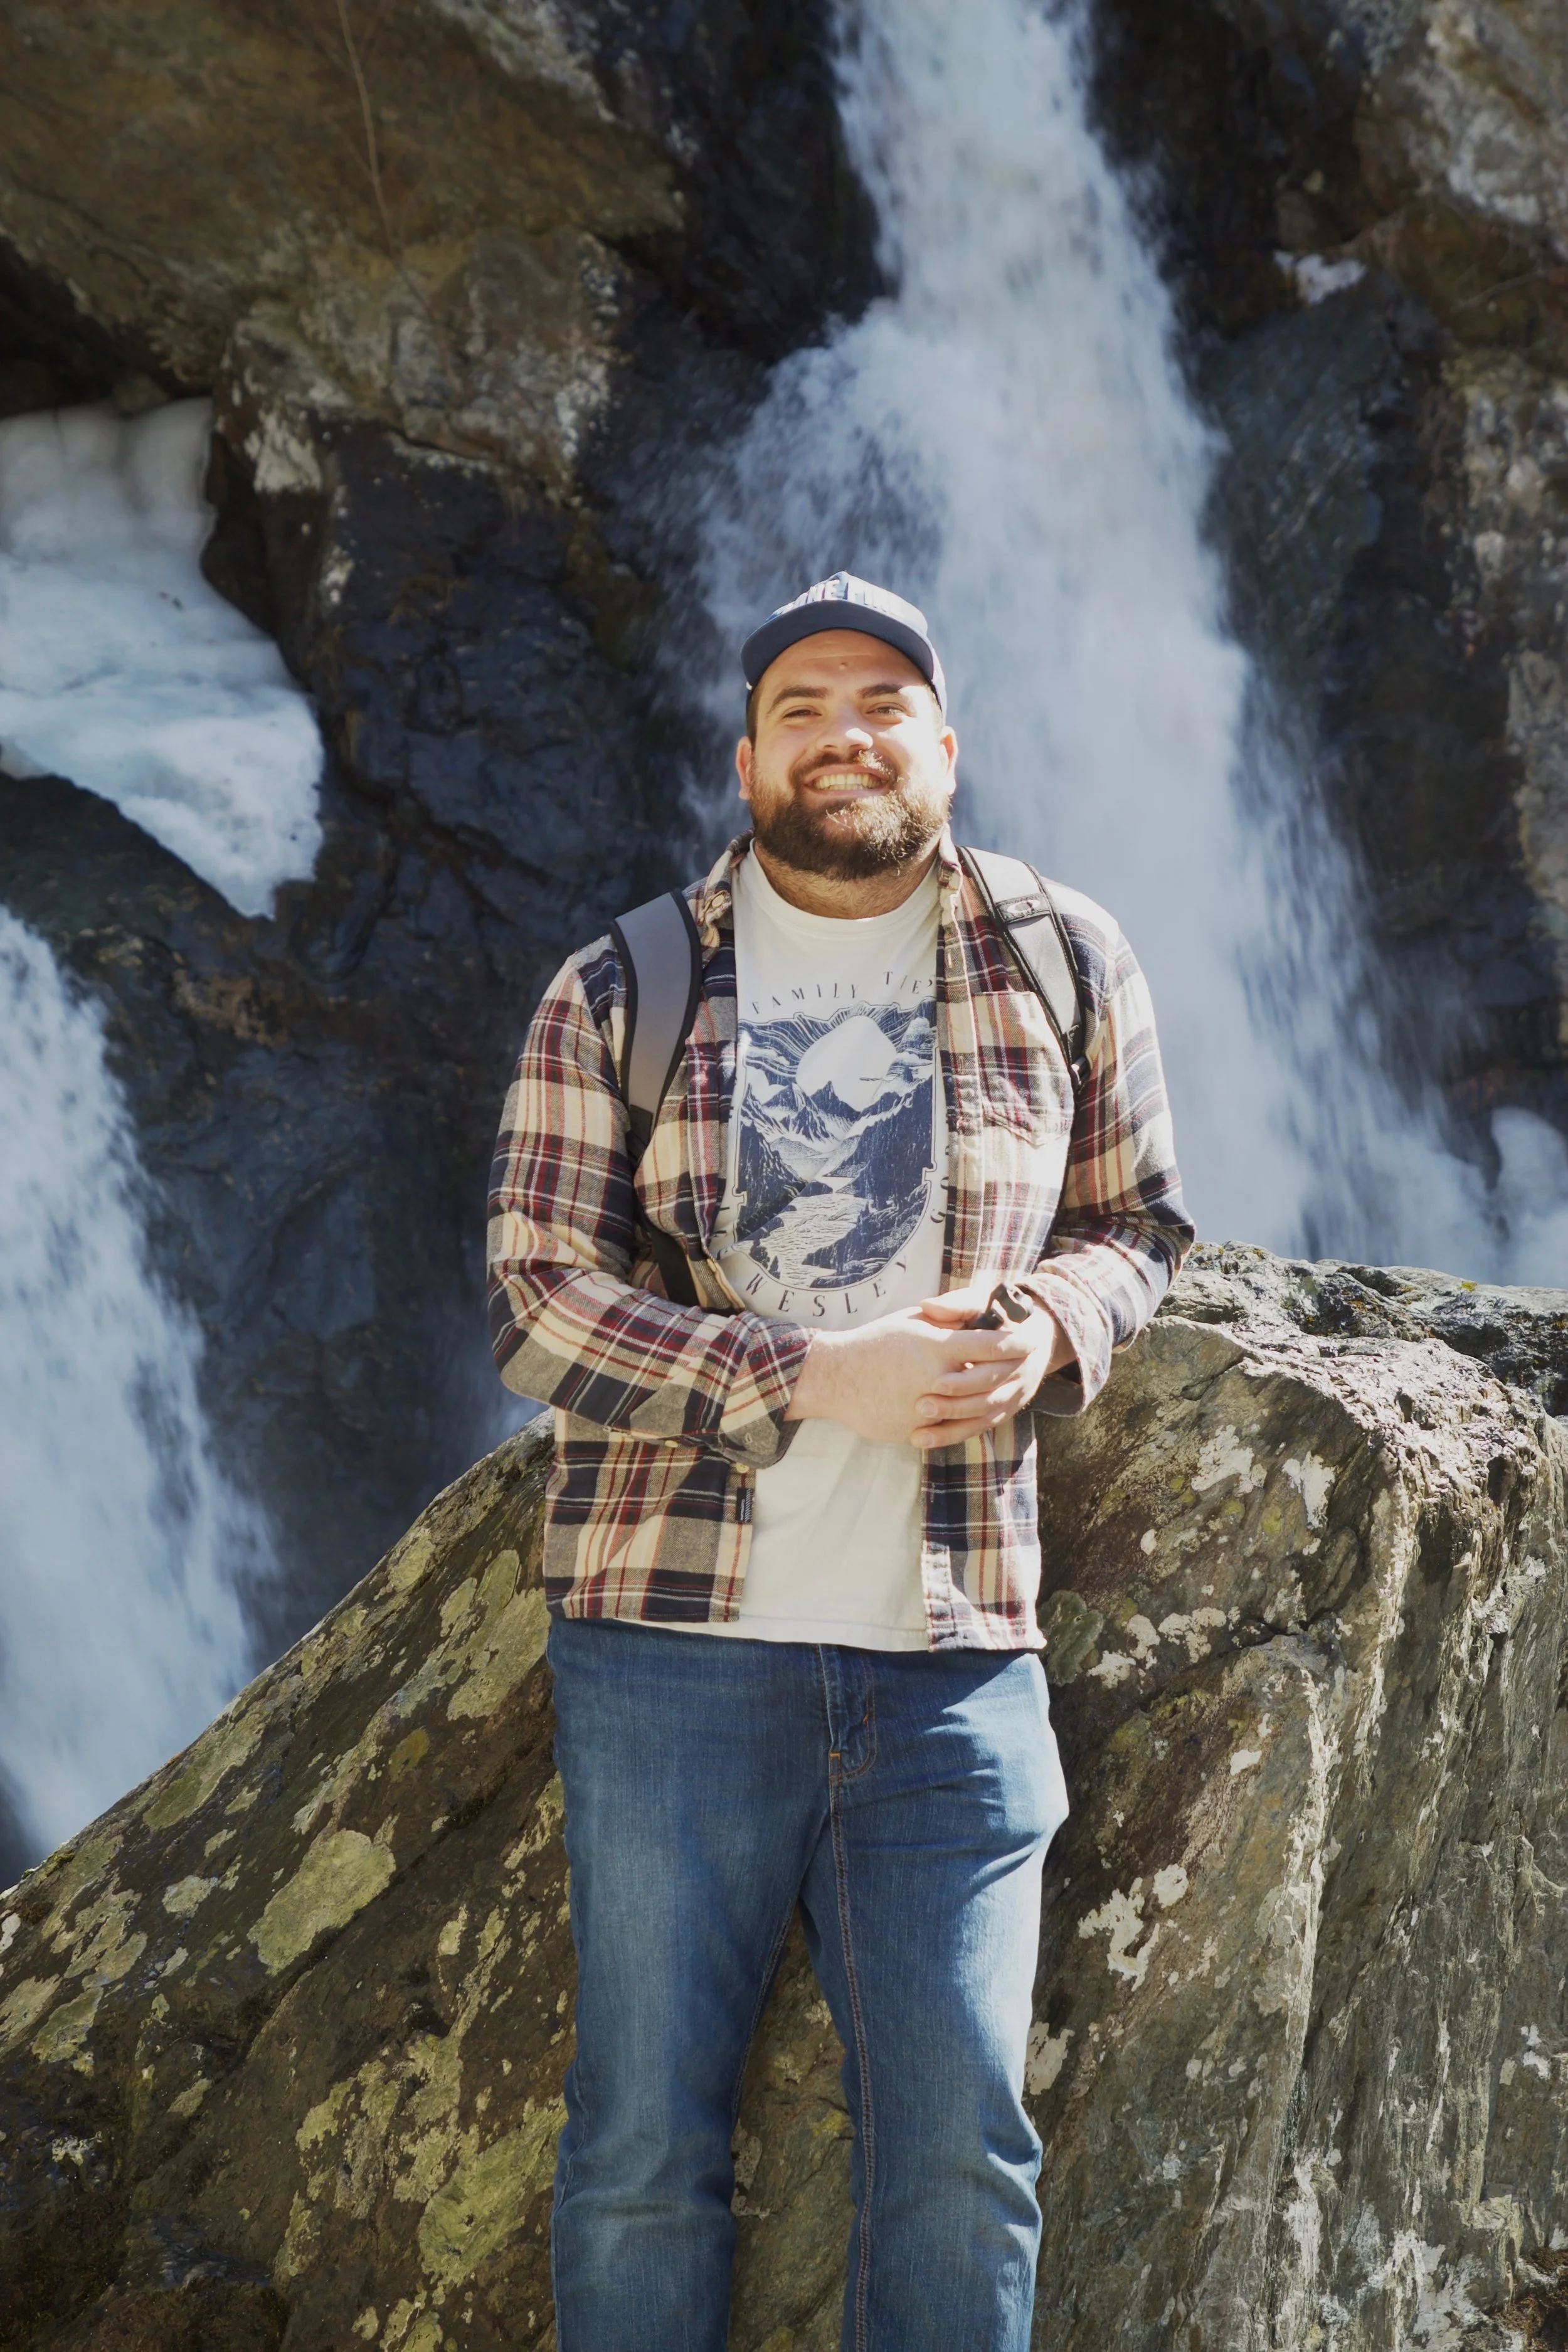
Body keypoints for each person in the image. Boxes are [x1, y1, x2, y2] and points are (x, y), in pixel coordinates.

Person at [487, 571, 1194, 2351]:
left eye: (882, 702)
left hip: (956, 1658)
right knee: (643, 2144)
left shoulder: (1062, 958)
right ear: (747, 757)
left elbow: (1140, 1224)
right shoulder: (621, 986)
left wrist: (1050, 1328)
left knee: (960, 2152)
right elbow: (532, 1303)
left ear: (942, 748)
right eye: (804, 705)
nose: (844, 733)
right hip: (667, 1654)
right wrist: (812, 1374)